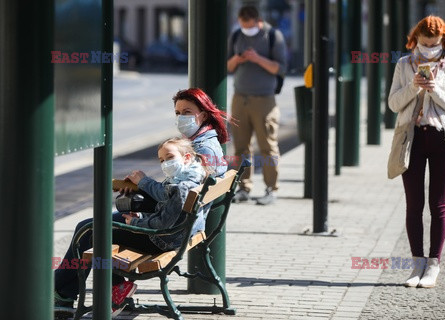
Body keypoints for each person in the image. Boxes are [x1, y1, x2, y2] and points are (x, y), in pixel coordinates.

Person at [54, 138, 210, 317]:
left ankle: (64, 294)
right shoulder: (194, 175)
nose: (165, 163)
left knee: (89, 231)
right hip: (173, 236)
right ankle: (78, 289)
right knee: (89, 227)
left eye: (169, 157)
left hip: (160, 239)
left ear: (187, 157)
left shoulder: (183, 186)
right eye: (161, 160)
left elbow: (163, 223)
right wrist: (141, 202)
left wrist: (135, 223)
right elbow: (168, 208)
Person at [388, 16, 445, 288]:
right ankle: (416, 265)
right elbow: (393, 104)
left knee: (438, 204)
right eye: (425, 43)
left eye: (434, 44)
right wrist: (413, 87)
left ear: (443, 39)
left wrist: (434, 91)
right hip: (413, 139)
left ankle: (433, 265)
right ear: (416, 40)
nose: (430, 48)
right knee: (413, 204)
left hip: (444, 140)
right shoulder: (404, 64)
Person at [227, 5, 287, 205]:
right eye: (242, 25)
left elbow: (280, 68)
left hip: (264, 100)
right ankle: (243, 187)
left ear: (257, 21)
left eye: (249, 26)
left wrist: (257, 58)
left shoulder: (272, 36)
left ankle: (271, 189)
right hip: (239, 98)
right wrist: (237, 59)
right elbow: (228, 66)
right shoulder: (236, 36)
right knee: (240, 147)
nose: (246, 29)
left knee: (267, 147)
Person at [173, 88, 229, 178]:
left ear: (203, 116)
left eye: (187, 112)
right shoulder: (198, 142)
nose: (181, 117)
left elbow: (187, 186)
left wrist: (146, 183)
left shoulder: (203, 149)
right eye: (177, 113)